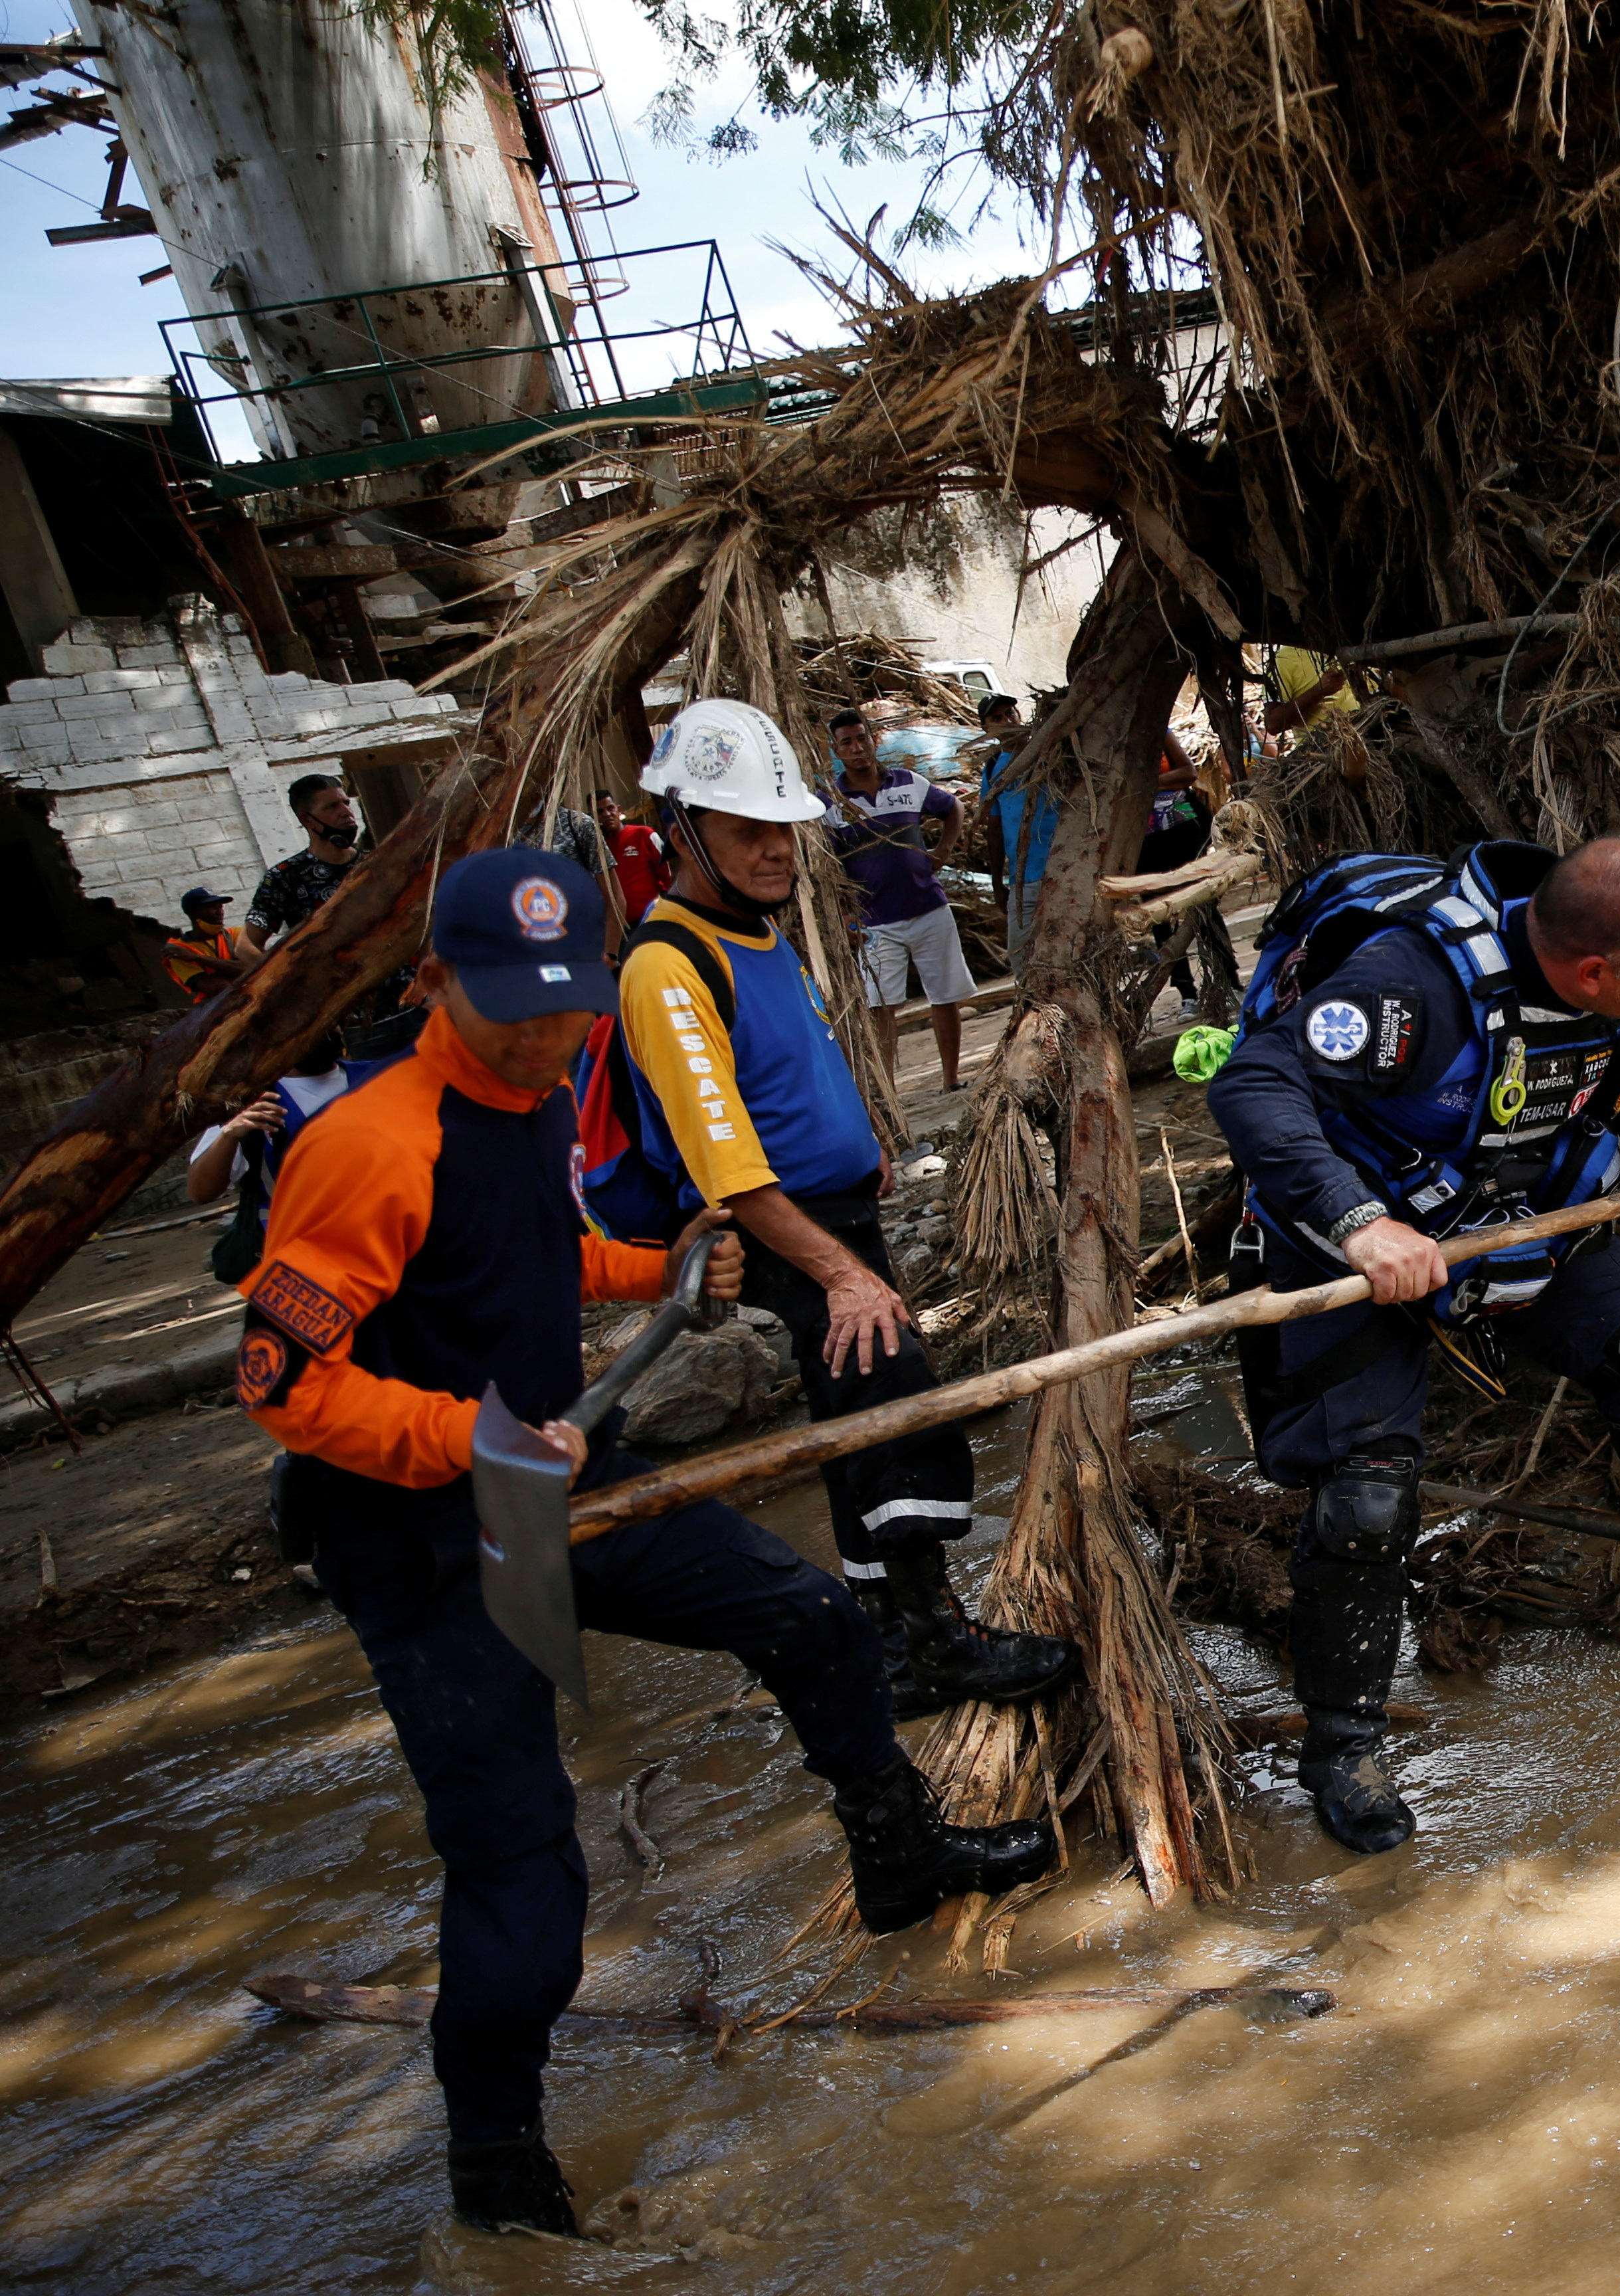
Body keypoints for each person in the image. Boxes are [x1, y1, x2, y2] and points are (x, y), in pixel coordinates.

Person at [240, 846, 1055, 2240]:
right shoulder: (366, 1143)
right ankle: (498, 2168)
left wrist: (651, 1268)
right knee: (521, 1864)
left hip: (569, 1471)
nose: (549, 1033)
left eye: (568, 1006)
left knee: (811, 1613)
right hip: (429, 1531)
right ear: (436, 983)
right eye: (514, 1008)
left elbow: (514, 1255)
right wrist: (475, 1445)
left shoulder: (540, 1089)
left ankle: (899, 1855)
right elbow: (280, 1383)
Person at [1208, 834, 1620, 1856]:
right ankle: (1344, 1748)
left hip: (1506, 1221)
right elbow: (1255, 1084)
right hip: (1348, 1247)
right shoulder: (1407, 984)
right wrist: (1357, 1223)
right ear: (1594, 967)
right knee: (1368, 1499)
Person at [613, 698, 1076, 1718]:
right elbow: (727, 1165)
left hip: (833, 1213)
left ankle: (893, 1651)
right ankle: (935, 1637)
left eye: (784, 829)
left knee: (857, 1426)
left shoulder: (758, 936)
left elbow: (793, 1071)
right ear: (684, 832)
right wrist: (839, 1271)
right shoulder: (667, 964)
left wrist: (862, 1153)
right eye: (748, 833)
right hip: (785, 1233)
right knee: (891, 1404)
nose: (777, 851)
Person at [824, 709, 977, 1096]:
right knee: (881, 1007)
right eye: (847, 742)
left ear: (873, 739)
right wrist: (844, 911)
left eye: (862, 738)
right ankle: (888, 1092)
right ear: (836, 750)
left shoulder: (908, 783)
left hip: (928, 908)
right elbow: (825, 863)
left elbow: (953, 808)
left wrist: (942, 851)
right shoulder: (830, 802)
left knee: (945, 996)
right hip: (874, 920)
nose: (858, 748)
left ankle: (950, 1079)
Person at [244, 771, 422, 1057]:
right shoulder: (285, 878)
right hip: (356, 1026)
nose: (345, 813)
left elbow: (424, 925)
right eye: (331, 807)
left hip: (416, 1010)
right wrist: (296, 990)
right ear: (308, 820)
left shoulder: (382, 865)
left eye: (346, 803)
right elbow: (246, 947)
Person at [186, 1032, 351, 1284]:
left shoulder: (383, 1077)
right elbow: (201, 1191)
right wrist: (229, 1134)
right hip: (298, 1266)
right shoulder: (248, 1100)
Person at [1137, 727, 1237, 1017]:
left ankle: (1227, 980)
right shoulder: (1103, 741)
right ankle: (1187, 994)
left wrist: (1146, 784)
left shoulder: (1158, 732)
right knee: (1159, 916)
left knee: (1202, 905)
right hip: (1141, 840)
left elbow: (1188, 773)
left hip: (1182, 828)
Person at [979, 693, 1057, 962]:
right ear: (986, 729)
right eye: (997, 718)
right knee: (1022, 959)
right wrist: (998, 884)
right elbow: (994, 828)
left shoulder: (1051, 753)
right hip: (1024, 879)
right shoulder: (992, 769)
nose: (1007, 721)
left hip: (1063, 867)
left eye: (1010, 713)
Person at [163, 886, 252, 999]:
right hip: (219, 1010)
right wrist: (235, 969)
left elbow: (252, 968)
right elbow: (216, 989)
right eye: (212, 907)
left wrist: (198, 958)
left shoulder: (237, 934)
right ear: (193, 913)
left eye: (220, 907)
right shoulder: (177, 950)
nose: (220, 912)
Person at [595, 793, 667, 929]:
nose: (607, 814)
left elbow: (668, 875)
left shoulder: (645, 835)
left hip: (654, 920)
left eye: (610, 808)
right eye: (600, 812)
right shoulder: (596, 850)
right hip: (620, 929)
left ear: (619, 810)